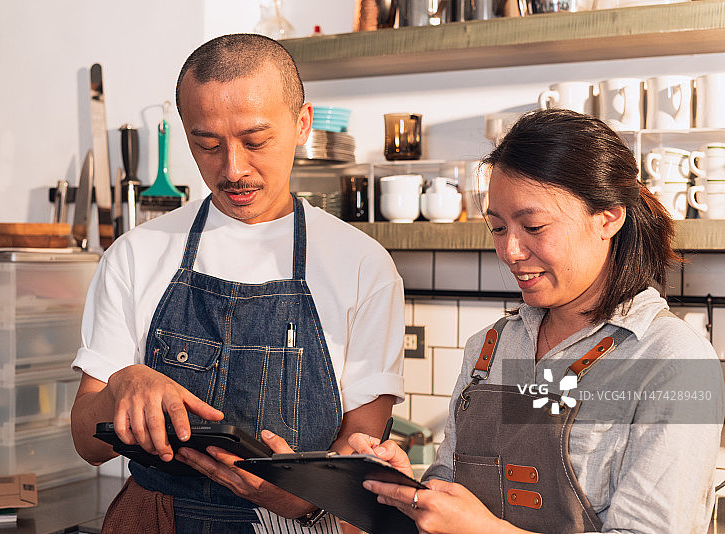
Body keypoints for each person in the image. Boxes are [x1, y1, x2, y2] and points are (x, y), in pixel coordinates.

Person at [69, 33, 405, 533]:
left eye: (255, 141)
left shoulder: (363, 266)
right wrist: (122, 384)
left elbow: (359, 448)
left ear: (302, 124)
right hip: (155, 517)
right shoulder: (136, 254)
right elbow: (87, 443)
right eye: (207, 144)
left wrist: (292, 498)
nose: (233, 168)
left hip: (296, 523)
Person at [350, 108, 725, 534]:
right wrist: (412, 492)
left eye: (533, 225)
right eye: (496, 228)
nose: (510, 251)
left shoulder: (671, 361)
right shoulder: (489, 347)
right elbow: (453, 496)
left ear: (608, 217)